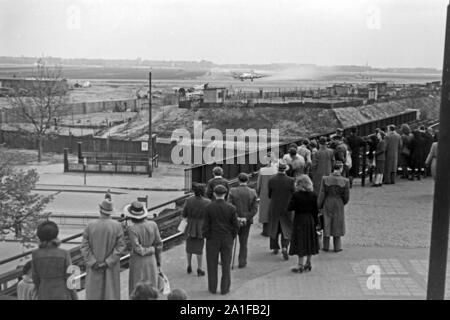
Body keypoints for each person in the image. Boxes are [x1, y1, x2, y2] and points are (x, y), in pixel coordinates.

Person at [81, 199, 126, 300]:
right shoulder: (117, 226)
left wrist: (93, 262)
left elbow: (84, 246)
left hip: (94, 268)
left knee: (94, 293)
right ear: (110, 212)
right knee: (111, 293)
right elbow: (121, 246)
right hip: (111, 267)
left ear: (100, 209)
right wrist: (108, 262)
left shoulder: (90, 225)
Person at [203, 185, 239, 295]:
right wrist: (231, 236)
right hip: (227, 238)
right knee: (226, 264)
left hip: (213, 239)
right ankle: (225, 289)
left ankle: (212, 288)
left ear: (214, 193)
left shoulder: (208, 207)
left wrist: (207, 236)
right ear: (226, 194)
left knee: (211, 264)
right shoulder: (231, 208)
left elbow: (205, 226)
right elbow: (235, 226)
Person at [31, 221, 78, 300]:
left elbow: (35, 277)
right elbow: (70, 279)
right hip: (62, 293)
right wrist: (75, 297)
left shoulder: (35, 254)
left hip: (44, 292)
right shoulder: (64, 253)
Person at [125, 201, 163, 296]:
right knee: (152, 287)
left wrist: (150, 249)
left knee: (136, 289)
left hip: (137, 262)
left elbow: (138, 249)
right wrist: (158, 262)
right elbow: (159, 244)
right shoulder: (153, 224)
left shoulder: (132, 229)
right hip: (151, 261)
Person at [288, 175, 320, 273]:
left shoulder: (296, 195)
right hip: (310, 219)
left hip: (299, 219)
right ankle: (308, 263)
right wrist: (316, 223)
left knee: (300, 241)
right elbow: (315, 210)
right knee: (309, 241)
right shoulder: (313, 195)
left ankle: (300, 265)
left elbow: (290, 207)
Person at [228, 173, 258, 268]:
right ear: (247, 181)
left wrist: (236, 217)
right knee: (243, 242)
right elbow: (254, 209)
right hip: (246, 222)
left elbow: (229, 207)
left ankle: (227, 260)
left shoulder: (232, 191)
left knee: (230, 241)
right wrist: (246, 217)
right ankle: (242, 262)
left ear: (238, 180)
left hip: (233, 221)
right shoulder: (252, 192)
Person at [317, 162, 350, 252]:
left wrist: (319, 205)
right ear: (340, 169)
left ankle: (326, 246)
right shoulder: (345, 181)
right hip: (339, 202)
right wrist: (342, 202)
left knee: (327, 222)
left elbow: (322, 194)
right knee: (337, 223)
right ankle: (337, 247)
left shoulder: (325, 179)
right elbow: (346, 197)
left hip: (328, 201)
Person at [268, 161, 295, 260]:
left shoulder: (271, 180)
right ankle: (284, 246)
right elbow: (294, 193)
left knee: (274, 226)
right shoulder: (291, 180)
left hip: (274, 206)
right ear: (286, 169)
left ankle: (275, 247)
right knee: (286, 227)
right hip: (287, 207)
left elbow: (269, 195)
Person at [183, 183, 210, 276]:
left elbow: (184, 214)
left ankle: (189, 265)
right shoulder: (207, 202)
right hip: (201, 227)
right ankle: (199, 268)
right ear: (203, 191)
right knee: (199, 248)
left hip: (190, 226)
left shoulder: (188, 200)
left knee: (189, 247)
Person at [256, 152, 278, 237]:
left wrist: (258, 193)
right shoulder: (276, 170)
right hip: (275, 194)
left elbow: (258, 185)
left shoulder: (262, 170)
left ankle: (265, 231)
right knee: (273, 211)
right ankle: (273, 230)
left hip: (265, 194)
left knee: (265, 212)